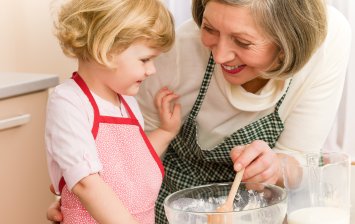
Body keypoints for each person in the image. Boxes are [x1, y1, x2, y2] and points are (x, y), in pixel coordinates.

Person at [47, 0, 352, 223]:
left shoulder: (330, 44)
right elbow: (104, 173)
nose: (218, 54)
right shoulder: (170, 56)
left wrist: (276, 168)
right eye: (208, 29)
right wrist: (78, 197)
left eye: (243, 42)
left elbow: (299, 155)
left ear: (287, 44)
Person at [45, 0, 180, 223]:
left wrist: (166, 131)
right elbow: (87, 184)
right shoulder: (69, 102)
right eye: (145, 59)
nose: (152, 70)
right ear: (105, 50)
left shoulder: (127, 102)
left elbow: (130, 165)